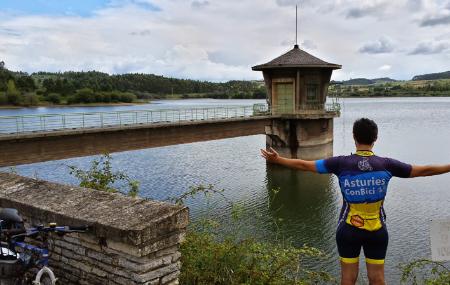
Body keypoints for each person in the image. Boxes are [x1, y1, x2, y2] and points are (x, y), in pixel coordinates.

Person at [260, 118, 450, 285]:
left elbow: (304, 164)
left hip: (348, 230)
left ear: (354, 137)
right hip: (377, 231)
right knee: (377, 279)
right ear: (375, 138)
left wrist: (278, 160)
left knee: (348, 280)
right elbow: (424, 170)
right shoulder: (387, 165)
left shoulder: (340, 164)